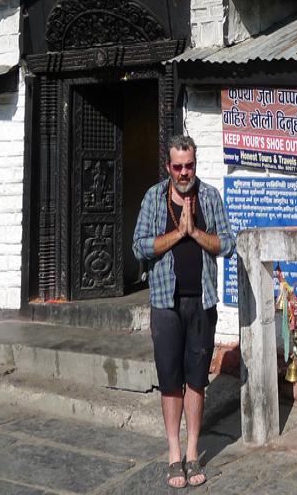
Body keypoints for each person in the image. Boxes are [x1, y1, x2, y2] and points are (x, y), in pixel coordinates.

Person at [132, 135, 235, 489]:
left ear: (195, 163)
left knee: (196, 379)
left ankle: (193, 454)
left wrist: (196, 233)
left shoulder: (209, 197)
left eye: (188, 165)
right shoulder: (154, 198)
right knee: (170, 380)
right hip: (165, 302)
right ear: (168, 167)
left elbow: (228, 243)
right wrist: (178, 234)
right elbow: (139, 246)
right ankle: (173, 455)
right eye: (177, 166)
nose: (183, 172)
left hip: (202, 301)